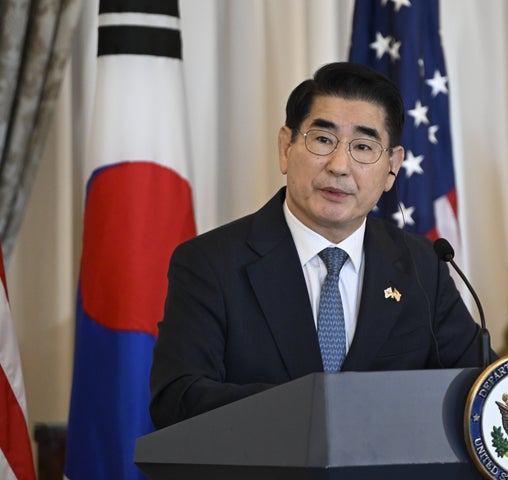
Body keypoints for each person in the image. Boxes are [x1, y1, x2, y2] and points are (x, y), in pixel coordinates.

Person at [149, 62, 487, 429]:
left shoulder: (423, 267)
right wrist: (318, 407)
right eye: (323, 140)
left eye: (363, 146)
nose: (339, 166)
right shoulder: (210, 263)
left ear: (392, 167)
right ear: (285, 147)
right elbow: (177, 401)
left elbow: (479, 391)